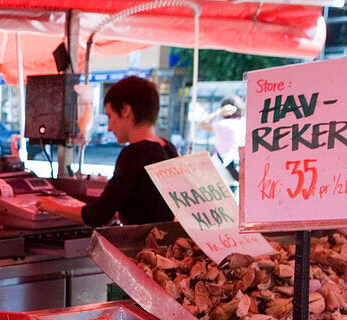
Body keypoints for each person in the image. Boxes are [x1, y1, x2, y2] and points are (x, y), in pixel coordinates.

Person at [38, 76, 178, 227]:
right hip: (164, 245)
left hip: (141, 247)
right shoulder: (168, 148)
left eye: (110, 116)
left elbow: (98, 215)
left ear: (125, 110)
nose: (109, 127)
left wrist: (55, 208)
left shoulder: (134, 154)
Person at [199, 95, 245, 182]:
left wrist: (218, 112)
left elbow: (201, 124)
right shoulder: (244, 122)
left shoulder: (224, 125)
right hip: (238, 162)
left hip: (223, 163)